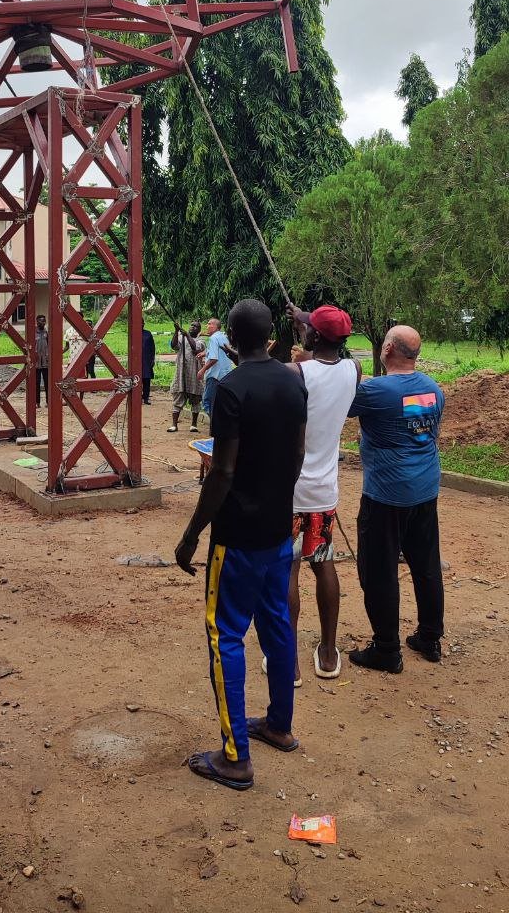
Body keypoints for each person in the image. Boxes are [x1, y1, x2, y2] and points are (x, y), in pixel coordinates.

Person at [175, 298, 307, 791]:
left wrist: (192, 534)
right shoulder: (293, 382)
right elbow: (297, 452)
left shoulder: (230, 390)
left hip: (236, 538)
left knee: (225, 635)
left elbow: (223, 471)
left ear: (229, 339)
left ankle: (235, 758)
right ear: (270, 336)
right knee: (276, 625)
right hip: (278, 530)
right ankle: (279, 725)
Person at [260, 303, 360, 684]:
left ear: (314, 336)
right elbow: (324, 354)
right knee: (323, 562)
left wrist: (302, 346)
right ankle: (329, 654)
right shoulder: (354, 370)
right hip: (323, 493)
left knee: (288, 568)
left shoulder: (294, 372)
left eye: (309, 329)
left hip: (289, 490)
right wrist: (305, 319)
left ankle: (288, 661)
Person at [347, 325, 445, 673]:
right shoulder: (433, 389)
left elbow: (341, 404)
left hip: (386, 494)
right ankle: (429, 638)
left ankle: (387, 649)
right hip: (425, 489)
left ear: (387, 349)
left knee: (379, 569)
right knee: (426, 564)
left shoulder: (375, 390)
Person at [167, 320, 205, 432]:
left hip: (194, 375)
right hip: (181, 374)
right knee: (178, 398)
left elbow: (195, 348)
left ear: (199, 330)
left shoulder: (201, 341)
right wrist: (176, 331)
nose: (192, 327)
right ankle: (174, 425)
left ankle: (194, 425)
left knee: (196, 399)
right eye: (191, 325)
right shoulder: (181, 338)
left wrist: (187, 335)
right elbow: (173, 346)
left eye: (195, 326)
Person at [198, 317, 233, 422]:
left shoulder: (213, 338)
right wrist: (205, 353)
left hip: (214, 375)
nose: (207, 326)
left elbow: (214, 359)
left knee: (207, 402)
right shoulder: (223, 336)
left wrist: (202, 370)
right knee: (220, 402)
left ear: (215, 326)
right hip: (226, 375)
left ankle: (216, 426)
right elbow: (218, 350)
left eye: (209, 324)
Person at [35, 314, 49, 408]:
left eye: (44, 321)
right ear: (37, 322)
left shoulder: (46, 332)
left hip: (45, 362)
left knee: (47, 383)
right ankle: (37, 403)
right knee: (36, 383)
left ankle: (48, 402)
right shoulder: (33, 332)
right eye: (40, 321)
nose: (42, 322)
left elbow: (49, 344)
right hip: (36, 363)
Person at [141, 319, 156, 405]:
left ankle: (146, 398)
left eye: (142, 323)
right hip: (137, 361)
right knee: (137, 380)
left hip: (147, 360)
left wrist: (153, 359)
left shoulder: (148, 334)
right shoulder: (133, 333)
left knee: (146, 380)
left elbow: (152, 347)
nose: (141, 325)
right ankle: (138, 398)